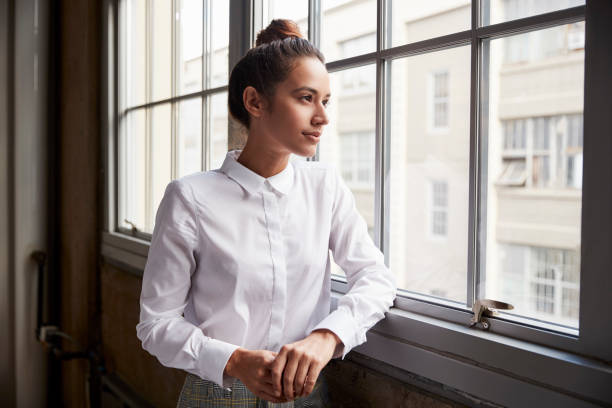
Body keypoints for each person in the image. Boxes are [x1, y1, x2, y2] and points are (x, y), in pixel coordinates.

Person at [136, 19, 397, 408]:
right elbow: (156, 325)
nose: (322, 117)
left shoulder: (324, 187)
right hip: (216, 396)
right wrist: (235, 360)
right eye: (306, 98)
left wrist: (326, 336)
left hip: (307, 396)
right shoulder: (189, 198)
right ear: (256, 102)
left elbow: (375, 278)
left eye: (326, 101)